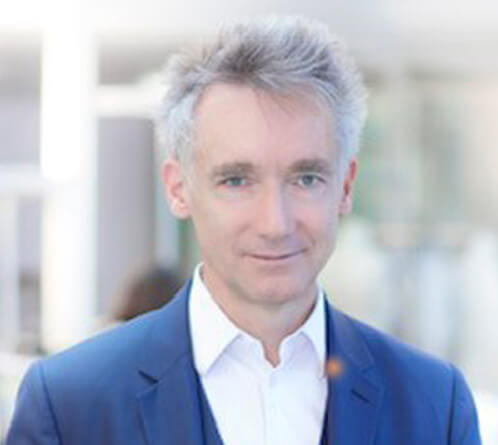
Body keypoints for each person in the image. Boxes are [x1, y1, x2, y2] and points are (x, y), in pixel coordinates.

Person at [6, 16, 481, 444]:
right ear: (178, 188)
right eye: (236, 180)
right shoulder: (70, 405)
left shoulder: (434, 405)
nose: (275, 223)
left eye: (306, 178)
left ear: (345, 186)